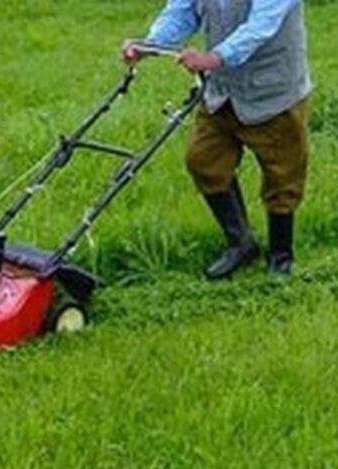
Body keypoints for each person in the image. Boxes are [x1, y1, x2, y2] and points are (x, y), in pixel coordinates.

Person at [123, 0, 312, 278]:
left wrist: (213, 58)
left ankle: (281, 255)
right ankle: (241, 243)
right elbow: (182, 12)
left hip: (273, 92)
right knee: (203, 160)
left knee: (282, 174)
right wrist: (150, 44)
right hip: (222, 91)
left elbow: (262, 26)